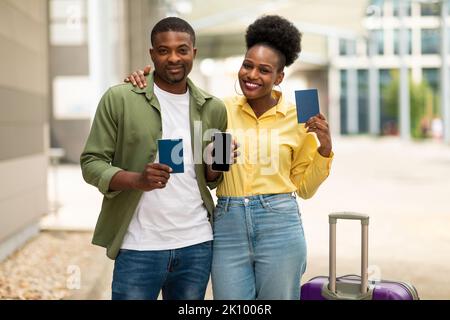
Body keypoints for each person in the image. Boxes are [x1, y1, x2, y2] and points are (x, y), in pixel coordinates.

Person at [126, 15, 333, 300]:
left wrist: (324, 149)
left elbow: (305, 188)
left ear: (279, 77)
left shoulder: (299, 117)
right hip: (228, 221)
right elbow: (206, 174)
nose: (252, 75)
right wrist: (145, 78)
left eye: (264, 70)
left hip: (280, 223)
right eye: (247, 65)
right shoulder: (218, 109)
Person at [80, 17, 237, 300]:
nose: (174, 58)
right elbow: (91, 163)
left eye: (182, 50)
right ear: (152, 54)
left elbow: (209, 181)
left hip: (197, 245)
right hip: (139, 246)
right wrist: (137, 180)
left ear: (194, 53)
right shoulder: (120, 99)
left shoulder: (213, 108)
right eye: (164, 50)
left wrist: (214, 168)